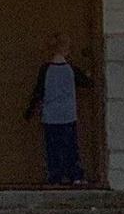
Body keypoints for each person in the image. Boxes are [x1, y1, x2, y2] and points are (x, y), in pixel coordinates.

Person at [26, 37, 90, 188]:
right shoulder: (72, 69)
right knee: (70, 147)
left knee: (52, 148)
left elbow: (39, 91)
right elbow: (87, 83)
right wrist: (88, 75)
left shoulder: (45, 69)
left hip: (50, 116)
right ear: (67, 51)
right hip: (68, 115)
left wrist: (30, 110)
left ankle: (55, 177)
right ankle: (76, 175)